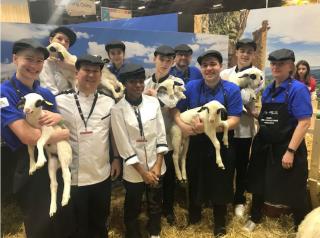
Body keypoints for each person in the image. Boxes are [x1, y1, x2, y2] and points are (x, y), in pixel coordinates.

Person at [0, 38, 74, 238]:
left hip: (53, 160)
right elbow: (27, 136)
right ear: (15, 59)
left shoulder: (45, 94)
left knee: (61, 218)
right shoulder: (4, 93)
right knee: (39, 223)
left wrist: (60, 122)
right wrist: (63, 134)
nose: (34, 66)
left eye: (39, 61)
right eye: (29, 59)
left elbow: (61, 124)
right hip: (28, 165)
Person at [172, 50, 242, 236]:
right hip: (196, 143)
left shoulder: (231, 89)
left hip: (221, 143)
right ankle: (194, 216)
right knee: (195, 179)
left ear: (220, 66)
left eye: (213, 64)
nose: (209, 68)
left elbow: (235, 120)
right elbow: (175, 110)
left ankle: (219, 223)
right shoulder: (191, 86)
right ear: (201, 68)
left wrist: (208, 129)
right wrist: (182, 126)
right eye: (204, 65)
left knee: (221, 182)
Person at [244, 49, 312, 232]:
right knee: (259, 181)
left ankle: (301, 226)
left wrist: (290, 151)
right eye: (273, 63)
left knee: (294, 186)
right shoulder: (268, 89)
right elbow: (268, 117)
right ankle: (255, 216)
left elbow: (304, 122)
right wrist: (252, 112)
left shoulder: (298, 89)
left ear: (291, 66)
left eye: (280, 64)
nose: (275, 67)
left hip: (286, 146)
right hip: (264, 144)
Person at [56, 54, 121, 238]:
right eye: (87, 70)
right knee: (76, 226)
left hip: (101, 174)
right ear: (77, 73)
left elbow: (112, 133)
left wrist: (116, 158)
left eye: (96, 71)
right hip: (73, 176)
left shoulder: (108, 101)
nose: (91, 75)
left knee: (99, 222)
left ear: (101, 75)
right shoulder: (60, 101)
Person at [111, 63, 168, 238]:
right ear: (124, 84)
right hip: (134, 170)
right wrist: (143, 173)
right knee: (133, 204)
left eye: (140, 81)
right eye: (132, 82)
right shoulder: (117, 109)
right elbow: (123, 146)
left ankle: (155, 232)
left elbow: (161, 134)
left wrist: (157, 165)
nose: (138, 85)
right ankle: (133, 233)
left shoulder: (153, 103)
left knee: (155, 202)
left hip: (156, 165)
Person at [220, 38, 262, 217]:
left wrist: (234, 100)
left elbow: (247, 99)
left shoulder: (257, 74)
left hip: (245, 130)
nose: (245, 54)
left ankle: (239, 200)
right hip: (226, 129)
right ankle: (224, 198)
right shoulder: (225, 74)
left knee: (241, 166)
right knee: (226, 166)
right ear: (236, 52)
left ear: (253, 54)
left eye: (249, 51)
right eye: (242, 50)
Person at [144, 45, 184, 225]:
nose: (165, 63)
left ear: (173, 62)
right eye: (162, 59)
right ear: (155, 59)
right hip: (148, 138)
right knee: (150, 176)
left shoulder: (177, 82)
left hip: (168, 136)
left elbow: (174, 104)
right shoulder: (144, 83)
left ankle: (168, 209)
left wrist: (155, 97)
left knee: (168, 178)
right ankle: (153, 209)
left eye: (169, 60)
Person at [39, 26, 77, 94]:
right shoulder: (44, 61)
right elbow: (49, 89)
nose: (63, 43)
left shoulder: (73, 60)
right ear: (51, 40)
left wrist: (69, 66)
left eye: (67, 41)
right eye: (59, 38)